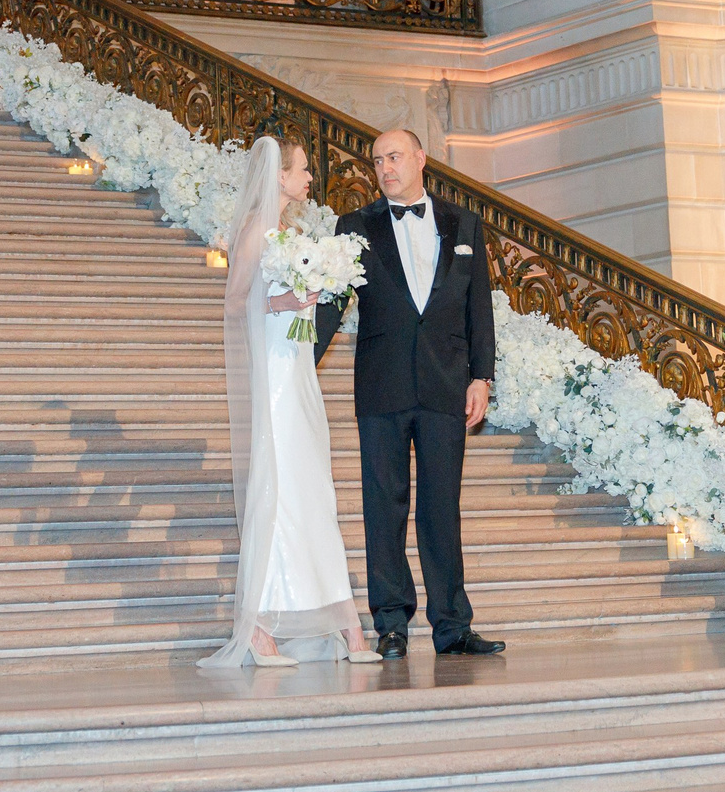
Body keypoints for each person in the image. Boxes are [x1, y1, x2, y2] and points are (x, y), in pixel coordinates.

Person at [314, 129, 504, 659]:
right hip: (382, 383)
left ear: (421, 158)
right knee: (384, 505)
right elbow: (331, 300)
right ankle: (391, 623)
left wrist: (481, 377)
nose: (385, 168)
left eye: (394, 157)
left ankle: (452, 625)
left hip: (447, 385)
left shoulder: (462, 222)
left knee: (442, 506)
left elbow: (478, 308)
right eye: (377, 161)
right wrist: (297, 361)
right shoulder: (355, 226)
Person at [202, 137, 383, 668]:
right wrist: (282, 299)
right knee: (281, 493)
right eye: (302, 169)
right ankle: (261, 627)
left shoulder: (291, 233)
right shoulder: (258, 229)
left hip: (299, 372)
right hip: (275, 379)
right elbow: (236, 300)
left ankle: (345, 627)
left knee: (314, 495)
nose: (309, 177)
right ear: (279, 175)